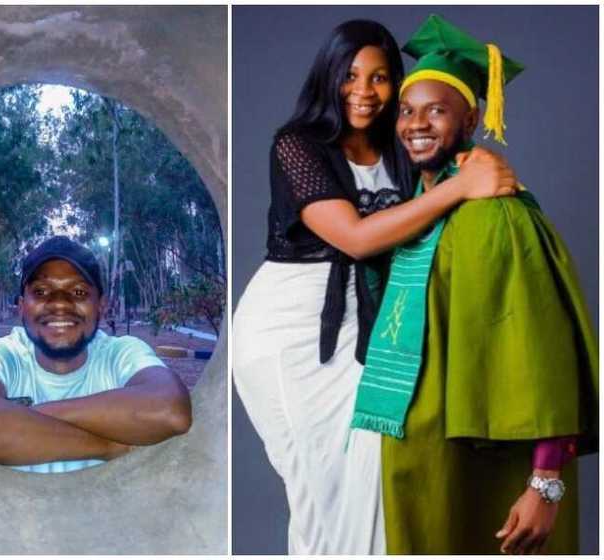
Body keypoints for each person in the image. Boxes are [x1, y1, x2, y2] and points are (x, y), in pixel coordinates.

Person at [231, 20, 518, 553]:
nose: (363, 91)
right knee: (317, 486)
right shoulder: (297, 145)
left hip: (369, 328)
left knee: (369, 476)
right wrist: (458, 190)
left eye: (380, 77)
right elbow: (357, 239)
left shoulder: (399, 147)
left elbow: (448, 165)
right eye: (351, 75)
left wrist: (474, 165)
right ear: (329, 76)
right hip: (287, 332)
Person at [353, 15, 598, 554]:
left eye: (436, 110)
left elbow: (543, 348)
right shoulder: (422, 210)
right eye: (407, 111)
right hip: (416, 447)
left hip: (485, 464)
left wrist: (545, 481)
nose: (416, 124)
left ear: (472, 118)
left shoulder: (496, 214)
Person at [0, 236, 192, 474]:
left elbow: (170, 411)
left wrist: (17, 415)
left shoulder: (121, 351)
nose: (59, 303)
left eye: (78, 292)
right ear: (22, 307)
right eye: (41, 292)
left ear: (101, 306)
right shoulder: (0, 353)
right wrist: (108, 447)